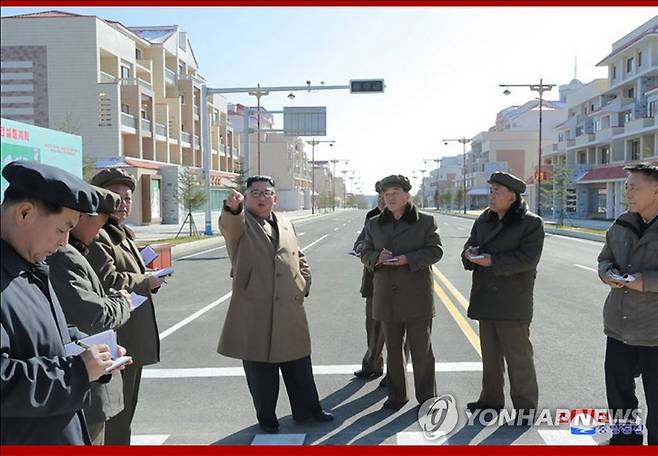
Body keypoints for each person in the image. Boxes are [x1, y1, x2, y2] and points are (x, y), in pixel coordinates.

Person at [0, 160, 122, 444]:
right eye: (61, 229)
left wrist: (91, 350)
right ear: (25, 213)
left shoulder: (28, 265)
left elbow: (48, 332)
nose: (65, 243)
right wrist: (77, 372)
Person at [217, 176, 333, 434]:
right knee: (261, 371)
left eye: (266, 192)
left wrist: (304, 282)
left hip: (289, 306)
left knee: (299, 364)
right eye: (254, 192)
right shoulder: (241, 222)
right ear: (246, 198)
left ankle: (308, 410)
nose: (260, 196)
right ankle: (267, 417)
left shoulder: (284, 221)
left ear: (274, 198)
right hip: (255, 309)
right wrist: (232, 208)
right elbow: (229, 224)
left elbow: (298, 254)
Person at [47, 186, 133, 445]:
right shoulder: (63, 256)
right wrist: (121, 303)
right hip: (83, 384)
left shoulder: (71, 251)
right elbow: (91, 316)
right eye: (101, 223)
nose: (99, 233)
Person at [86, 168, 166, 444]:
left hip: (132, 333)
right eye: (115, 197)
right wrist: (146, 279)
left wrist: (144, 268)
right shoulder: (98, 235)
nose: (123, 203)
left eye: (128, 197)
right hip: (118, 337)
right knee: (117, 416)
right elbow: (108, 279)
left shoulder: (121, 232)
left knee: (126, 411)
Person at [461, 171, 544, 416]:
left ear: (512, 196)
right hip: (486, 297)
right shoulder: (484, 220)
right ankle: (490, 400)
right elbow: (469, 245)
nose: (492, 195)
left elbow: (528, 259)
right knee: (490, 355)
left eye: (497, 191)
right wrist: (469, 254)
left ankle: (525, 407)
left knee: (518, 357)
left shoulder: (530, 223)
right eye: (491, 190)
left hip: (513, 300)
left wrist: (492, 261)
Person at [361, 174, 443, 410]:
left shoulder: (425, 221)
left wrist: (409, 259)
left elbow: (435, 251)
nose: (391, 198)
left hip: (417, 296)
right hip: (386, 296)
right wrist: (377, 258)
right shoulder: (374, 223)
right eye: (386, 194)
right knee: (394, 351)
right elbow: (364, 250)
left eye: (396, 193)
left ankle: (428, 398)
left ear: (407, 196)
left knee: (422, 351)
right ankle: (396, 396)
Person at [597, 163, 658, 445]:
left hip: (653, 331)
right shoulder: (622, 222)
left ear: (656, 189)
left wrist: (644, 281)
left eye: (635, 187)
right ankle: (625, 443)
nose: (628, 192)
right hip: (619, 327)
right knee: (620, 394)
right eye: (626, 186)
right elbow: (604, 257)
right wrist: (607, 273)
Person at [352, 181, 409, 388]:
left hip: (405, 285)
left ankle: (396, 372)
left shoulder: (414, 220)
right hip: (375, 281)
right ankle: (372, 364)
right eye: (382, 196)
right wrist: (376, 255)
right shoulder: (372, 219)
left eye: (392, 194)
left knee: (401, 333)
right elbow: (359, 244)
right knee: (374, 326)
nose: (385, 200)